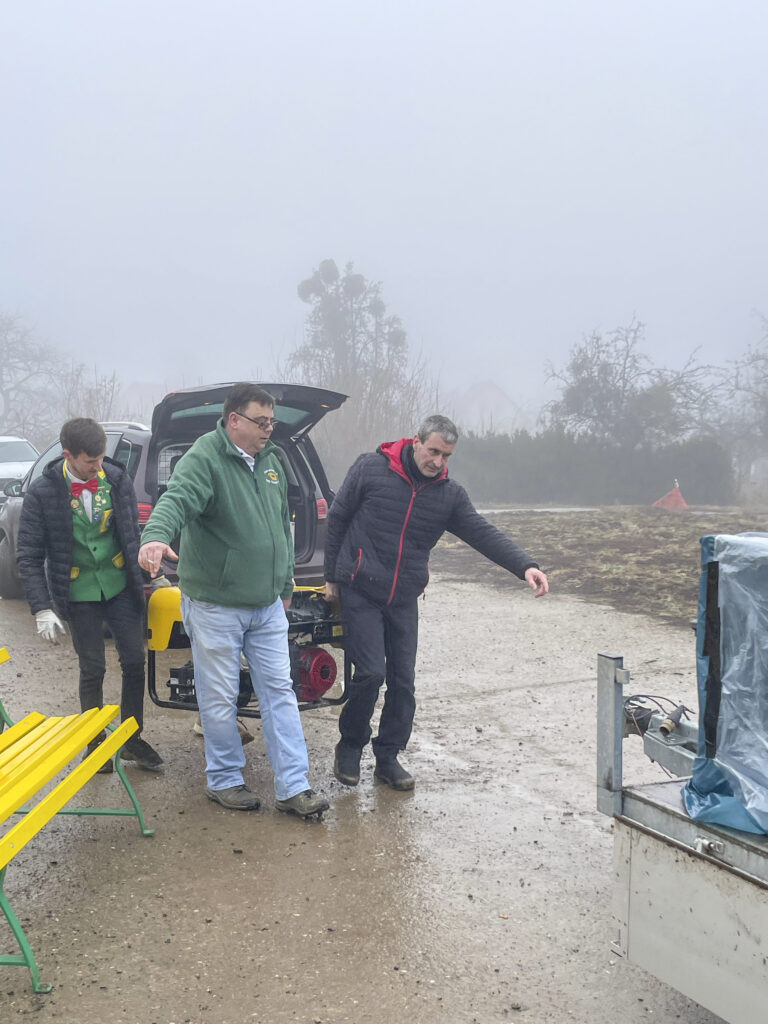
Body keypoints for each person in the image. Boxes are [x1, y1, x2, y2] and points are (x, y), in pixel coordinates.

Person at [324, 414, 549, 791]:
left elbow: (482, 532)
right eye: (433, 452)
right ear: (416, 441)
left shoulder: (448, 495)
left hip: (403, 597)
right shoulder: (371, 469)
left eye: (446, 456)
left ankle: (388, 756)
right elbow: (337, 517)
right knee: (371, 673)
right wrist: (332, 577)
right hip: (360, 588)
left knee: (403, 681)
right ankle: (349, 746)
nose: (438, 462)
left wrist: (525, 565)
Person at [137, 382, 328, 819]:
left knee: (280, 690)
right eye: (261, 422)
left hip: (266, 606)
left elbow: (283, 528)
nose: (268, 430)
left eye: (272, 422)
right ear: (234, 420)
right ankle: (224, 779)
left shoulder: (273, 461)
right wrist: (154, 537)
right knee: (219, 695)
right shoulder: (204, 458)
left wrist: (284, 587)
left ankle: (294, 787)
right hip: (216, 605)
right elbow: (176, 501)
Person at [17, 417, 163, 773]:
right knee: (93, 667)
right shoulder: (42, 493)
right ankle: (95, 741)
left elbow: (131, 533)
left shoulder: (116, 479)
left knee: (133, 661)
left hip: (119, 586)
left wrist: (147, 570)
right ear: (68, 455)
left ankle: (130, 738)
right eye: (89, 461)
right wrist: (42, 608)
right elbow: (29, 556)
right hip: (78, 591)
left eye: (100, 459)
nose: (97, 467)